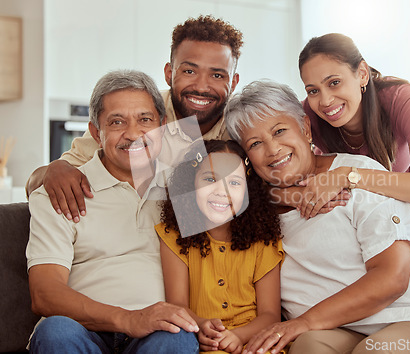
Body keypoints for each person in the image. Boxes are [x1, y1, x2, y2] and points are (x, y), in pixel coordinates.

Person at [224, 80, 410, 354]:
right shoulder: (249, 208)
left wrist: (303, 322)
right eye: (256, 143)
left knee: (375, 351)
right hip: (342, 329)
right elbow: (191, 195)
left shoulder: (359, 174)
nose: (272, 149)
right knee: (308, 347)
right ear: (246, 156)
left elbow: (392, 279)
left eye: (280, 130)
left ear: (305, 128)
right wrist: (285, 195)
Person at [26, 70, 199, 353]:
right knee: (55, 331)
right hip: (81, 331)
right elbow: (44, 294)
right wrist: (128, 319)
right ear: (96, 132)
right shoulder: (59, 192)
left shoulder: (187, 190)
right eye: (117, 122)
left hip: (159, 335)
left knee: (178, 336)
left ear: (162, 125)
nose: (133, 134)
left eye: (145, 120)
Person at [25, 15, 243, 223]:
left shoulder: (241, 127)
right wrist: (54, 170)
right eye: (189, 71)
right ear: (169, 73)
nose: (201, 86)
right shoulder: (141, 112)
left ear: (233, 82)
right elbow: (39, 181)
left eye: (217, 75)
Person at [281, 33, 410, 219]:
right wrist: (299, 195)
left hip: (405, 210)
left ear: (362, 74)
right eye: (313, 90)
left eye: (334, 83)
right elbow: (264, 175)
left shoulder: (401, 98)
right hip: (343, 213)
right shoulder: (309, 114)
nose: (325, 101)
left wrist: (346, 176)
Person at [156, 139, 284, 354]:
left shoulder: (264, 239)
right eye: (210, 179)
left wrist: (239, 336)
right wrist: (202, 326)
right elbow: (178, 305)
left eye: (234, 182)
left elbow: (270, 315)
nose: (221, 191)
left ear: (248, 191)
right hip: (205, 342)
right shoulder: (174, 236)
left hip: (255, 343)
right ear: (191, 183)